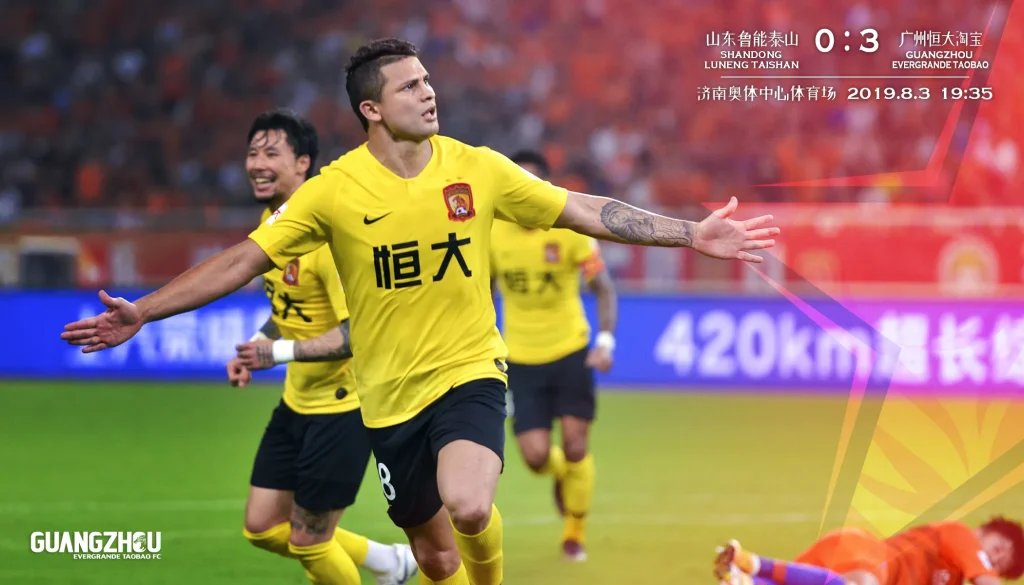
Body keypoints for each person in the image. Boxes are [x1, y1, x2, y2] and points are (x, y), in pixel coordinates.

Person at [61, 37, 779, 585]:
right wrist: (143, 311)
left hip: (470, 372)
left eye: (428, 80)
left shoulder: (477, 167)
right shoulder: (333, 191)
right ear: (371, 109)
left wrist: (691, 232)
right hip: (386, 401)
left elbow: (584, 209)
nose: (429, 93)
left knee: (469, 505)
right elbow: (241, 261)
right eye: (410, 86)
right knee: (435, 560)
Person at [226, 109, 417, 585]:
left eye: (271, 153)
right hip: (297, 402)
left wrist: (276, 354)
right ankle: (389, 562)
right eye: (252, 153)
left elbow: (357, 333)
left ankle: (388, 564)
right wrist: (257, 344)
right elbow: (290, 307)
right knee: (261, 527)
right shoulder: (274, 223)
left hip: (343, 410)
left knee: (309, 542)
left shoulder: (329, 238)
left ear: (303, 163)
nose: (257, 164)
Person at [489, 149, 616, 562]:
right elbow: (481, 294)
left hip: (570, 351)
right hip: (521, 358)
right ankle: (564, 475)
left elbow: (603, 287)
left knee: (576, 444)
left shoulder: (570, 228)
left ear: (543, 188)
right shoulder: (492, 234)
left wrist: (606, 341)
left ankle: (574, 534)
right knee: (535, 456)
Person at [713, 517, 1024, 585]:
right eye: (998, 549)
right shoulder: (960, 534)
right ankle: (755, 565)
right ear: (983, 531)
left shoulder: (948, 580)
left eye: (1000, 564)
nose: (992, 560)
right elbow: (987, 582)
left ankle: (745, 577)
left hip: (831, 573)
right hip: (863, 552)